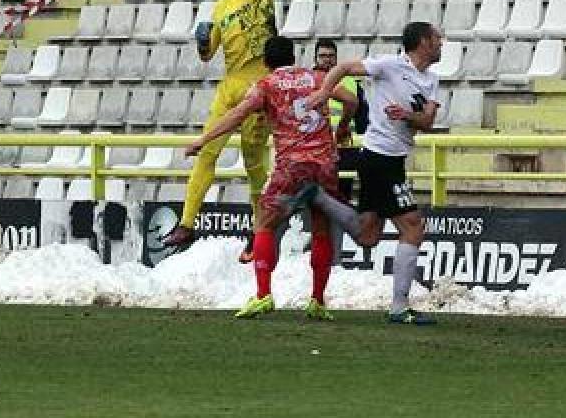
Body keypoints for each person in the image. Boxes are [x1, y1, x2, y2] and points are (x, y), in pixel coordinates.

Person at [184, 36, 358, 320]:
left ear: (265, 62)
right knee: (321, 228)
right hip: (324, 165)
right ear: (294, 56)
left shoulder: (266, 85)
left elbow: (237, 114)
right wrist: (342, 128)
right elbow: (351, 100)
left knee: (265, 222)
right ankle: (317, 300)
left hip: (291, 168)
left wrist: (203, 140)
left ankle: (263, 295)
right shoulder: (316, 77)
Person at [293, 21, 444, 325]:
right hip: (380, 158)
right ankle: (399, 308)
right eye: (438, 39)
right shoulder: (389, 65)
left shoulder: (431, 80)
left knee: (368, 236)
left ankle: (318, 198)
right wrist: (324, 93)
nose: (442, 44)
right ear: (424, 42)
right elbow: (346, 68)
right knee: (413, 228)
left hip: (391, 158)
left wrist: (407, 116)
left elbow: (427, 121)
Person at [163, 0, 274, 255]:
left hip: (259, 86)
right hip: (229, 85)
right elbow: (208, 52)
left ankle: (259, 233)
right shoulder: (220, 5)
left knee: (255, 165)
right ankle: (186, 223)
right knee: (207, 150)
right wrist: (200, 42)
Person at [314, 38, 367, 201]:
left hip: (345, 144)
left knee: (343, 192)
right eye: (322, 55)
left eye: (331, 55)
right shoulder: (309, 80)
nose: (327, 59)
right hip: (318, 144)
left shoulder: (350, 81)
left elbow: (362, 115)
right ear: (315, 58)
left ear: (336, 58)